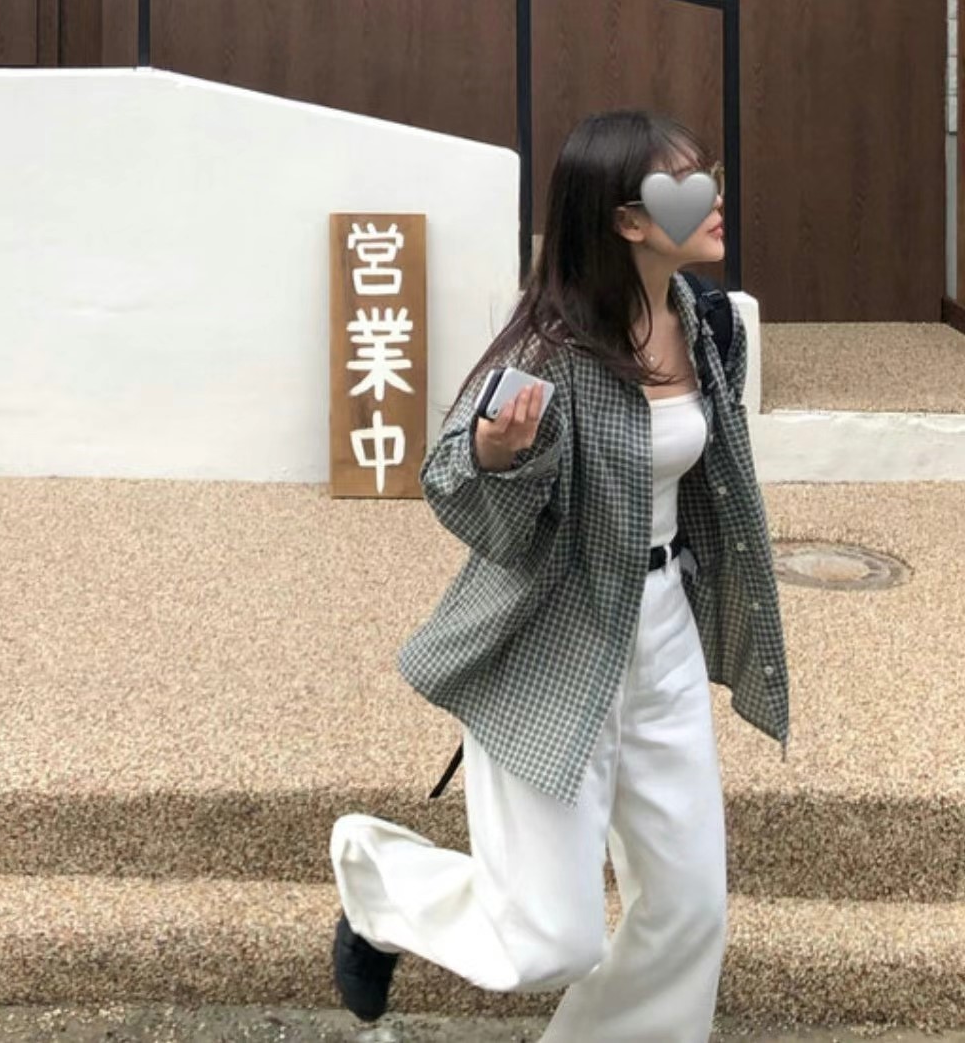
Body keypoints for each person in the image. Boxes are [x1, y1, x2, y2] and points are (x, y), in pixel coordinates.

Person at [330, 109, 790, 1043]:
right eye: (684, 187)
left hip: (663, 632)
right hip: (555, 647)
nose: (714, 199)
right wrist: (499, 456)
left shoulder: (706, 323)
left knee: (689, 910)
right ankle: (380, 888)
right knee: (549, 944)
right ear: (628, 220)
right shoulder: (550, 350)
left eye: (708, 176)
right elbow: (453, 486)